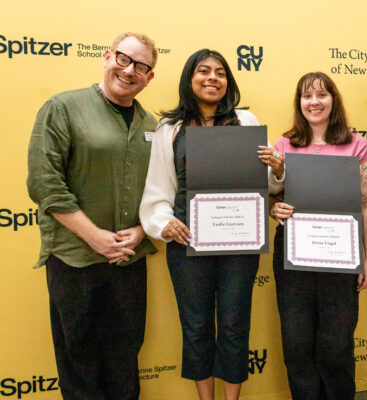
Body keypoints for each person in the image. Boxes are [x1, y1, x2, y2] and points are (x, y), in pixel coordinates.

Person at [139, 49, 281, 400]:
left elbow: (264, 185)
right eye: (204, 71)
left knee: (234, 323)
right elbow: (158, 189)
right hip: (187, 237)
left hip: (240, 239)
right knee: (197, 325)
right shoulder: (170, 129)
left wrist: (277, 168)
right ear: (190, 79)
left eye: (220, 72)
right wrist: (163, 223)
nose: (212, 78)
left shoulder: (246, 123)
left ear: (228, 82)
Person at [26, 32, 158, 400]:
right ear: (106, 57)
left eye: (141, 66)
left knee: (124, 361)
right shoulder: (63, 107)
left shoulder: (153, 127)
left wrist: (141, 231)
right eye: (124, 59)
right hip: (74, 259)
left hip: (128, 261)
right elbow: (43, 183)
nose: (130, 70)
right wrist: (94, 237)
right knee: (79, 364)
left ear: (150, 77)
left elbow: (163, 193)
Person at [269, 71, 367, 399]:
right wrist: (275, 207)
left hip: (341, 256)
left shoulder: (357, 145)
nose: (314, 102)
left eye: (321, 95)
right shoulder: (283, 145)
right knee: (297, 343)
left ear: (334, 100)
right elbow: (273, 194)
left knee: (336, 344)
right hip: (292, 255)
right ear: (299, 103)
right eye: (306, 96)